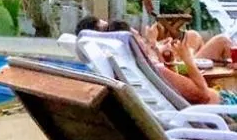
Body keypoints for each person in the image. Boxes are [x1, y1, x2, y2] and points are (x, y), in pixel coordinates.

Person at [77, 15, 235, 105]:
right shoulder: (153, 69)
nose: (142, 38)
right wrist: (187, 59)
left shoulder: (137, 68)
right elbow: (203, 94)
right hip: (221, 108)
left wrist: (162, 56)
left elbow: (173, 87)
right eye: (138, 36)